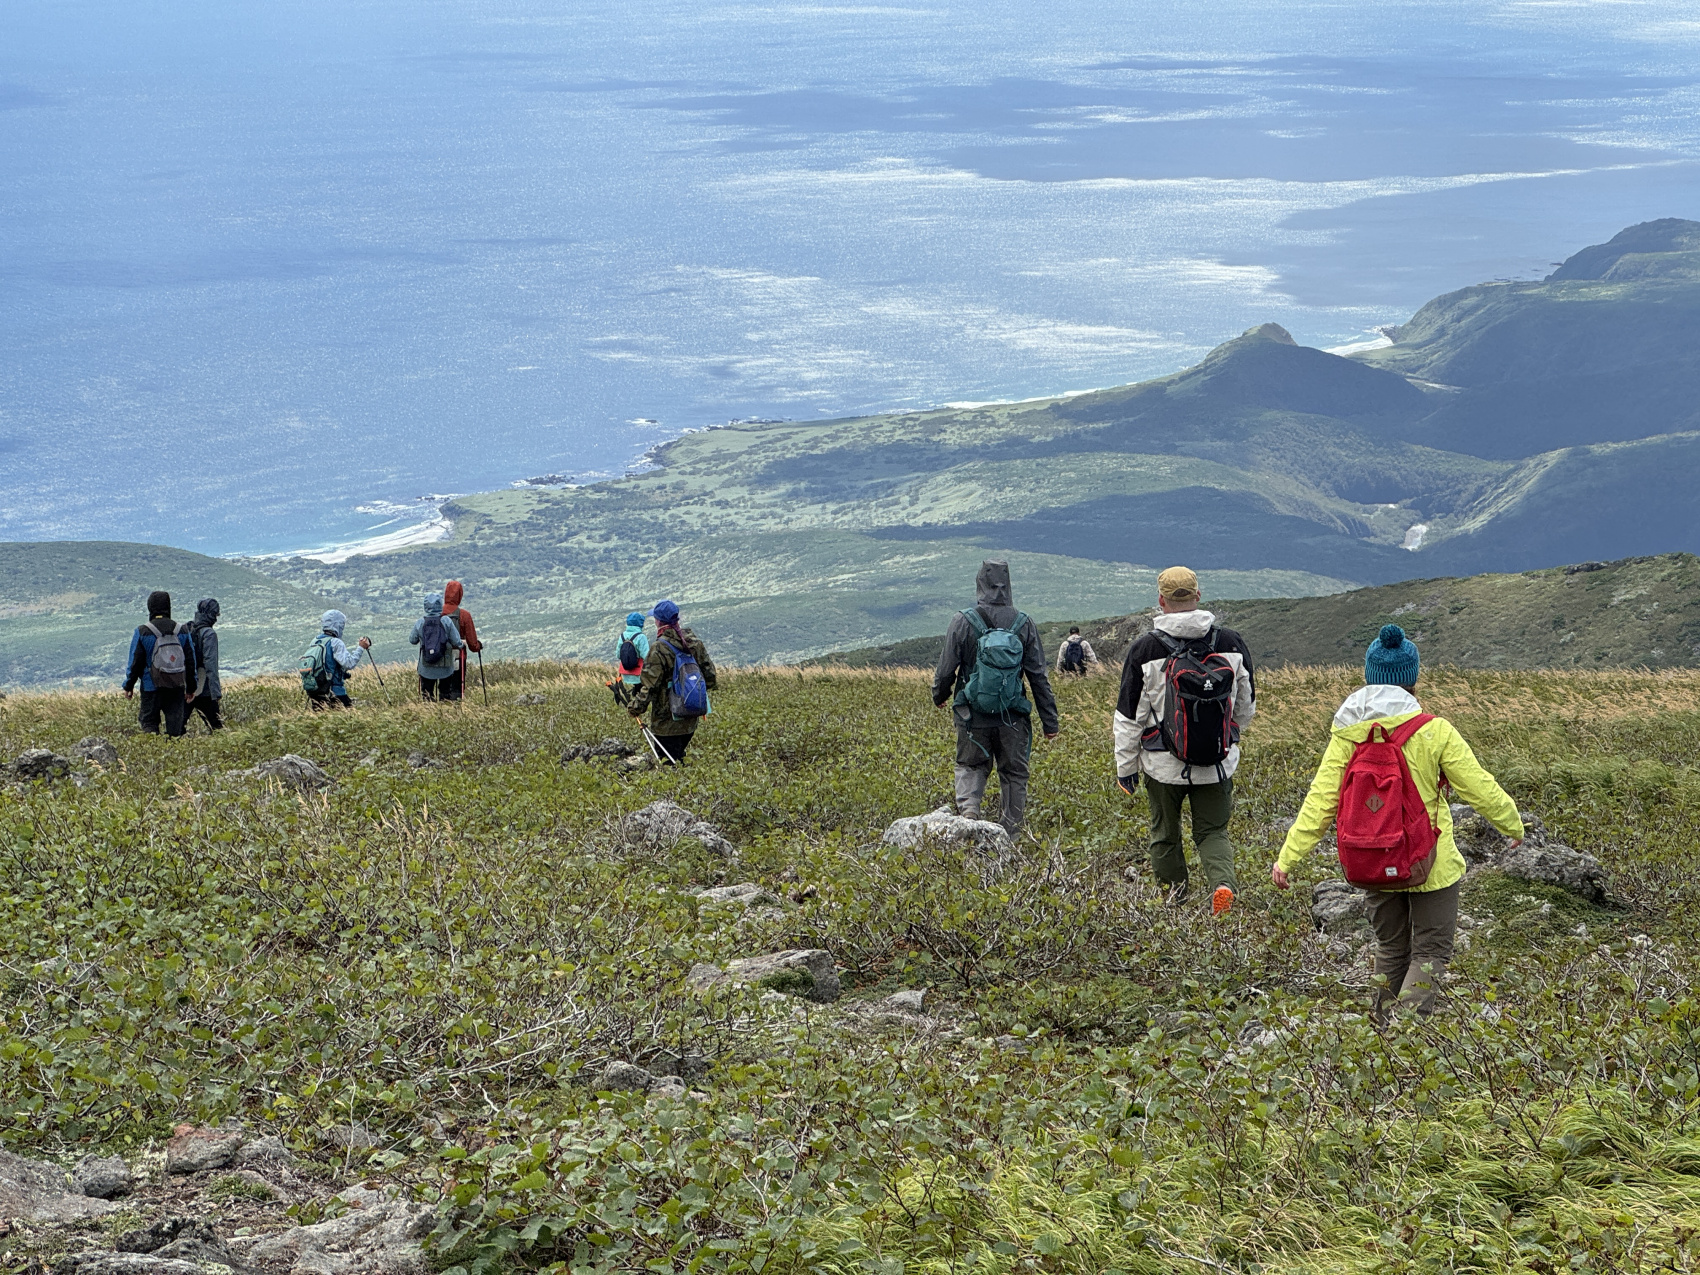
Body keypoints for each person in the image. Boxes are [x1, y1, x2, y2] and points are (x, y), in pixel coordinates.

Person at [1272, 625, 1524, 1017]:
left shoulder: (1347, 735)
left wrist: (1287, 857)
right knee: (1430, 952)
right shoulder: (1434, 730)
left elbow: (1320, 802)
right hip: (1430, 863)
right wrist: (1513, 826)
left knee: (1390, 947)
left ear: (1370, 677)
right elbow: (1479, 787)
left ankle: (1382, 1039)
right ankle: (1406, 1038)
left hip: (1373, 857)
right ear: (1413, 678)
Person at [1113, 566, 1256, 916]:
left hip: (1162, 765)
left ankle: (1172, 903)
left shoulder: (1145, 649)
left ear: (1161, 601)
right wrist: (1224, 735)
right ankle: (1222, 885)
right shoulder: (1230, 643)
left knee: (1165, 832)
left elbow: (1129, 718)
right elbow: (1246, 707)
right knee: (1213, 832)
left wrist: (1125, 767)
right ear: (1198, 596)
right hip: (1217, 761)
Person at [932, 560, 1060, 836]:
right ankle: (1009, 837)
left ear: (979, 584)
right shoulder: (1024, 623)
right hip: (1013, 716)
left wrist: (939, 695)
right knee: (1014, 773)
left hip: (971, 715)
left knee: (970, 765)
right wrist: (1050, 723)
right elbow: (1038, 677)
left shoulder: (962, 621)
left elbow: (945, 670)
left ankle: (969, 818)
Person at [627, 599, 716, 762]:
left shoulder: (659, 648)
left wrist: (636, 708)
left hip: (666, 720)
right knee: (678, 758)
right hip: (691, 714)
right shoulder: (694, 643)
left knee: (667, 764)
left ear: (658, 621)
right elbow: (710, 676)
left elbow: (649, 686)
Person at [122, 590, 198, 737]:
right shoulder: (181, 630)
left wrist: (128, 685)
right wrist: (191, 687)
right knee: (175, 731)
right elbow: (190, 661)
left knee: (149, 725)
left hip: (151, 688)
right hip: (176, 686)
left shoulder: (143, 631)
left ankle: (154, 753)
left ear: (150, 607)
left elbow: (135, 663)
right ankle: (174, 755)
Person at [305, 610, 369, 709]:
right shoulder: (335, 642)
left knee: (321, 721)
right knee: (351, 718)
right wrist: (361, 648)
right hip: (335, 691)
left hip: (316, 692)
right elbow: (349, 663)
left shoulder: (316, 641)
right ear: (338, 625)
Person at [410, 594, 464, 700]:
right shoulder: (446, 621)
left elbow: (412, 640)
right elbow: (456, 641)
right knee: (445, 693)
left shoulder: (420, 622)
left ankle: (428, 714)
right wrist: (462, 645)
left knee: (427, 694)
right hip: (445, 666)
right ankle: (445, 713)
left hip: (426, 666)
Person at [186, 598, 224, 731]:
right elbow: (211, 664)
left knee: (177, 729)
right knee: (217, 727)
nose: (216, 619)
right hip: (205, 689)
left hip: (188, 685)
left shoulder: (188, 628)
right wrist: (216, 692)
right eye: (215, 614)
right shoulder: (209, 634)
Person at [442, 580, 483, 700]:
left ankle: (438, 710)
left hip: (439, 655)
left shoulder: (437, 613)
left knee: (442, 686)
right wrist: (478, 646)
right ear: (460, 595)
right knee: (456, 687)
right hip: (458, 656)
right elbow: (472, 644)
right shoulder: (464, 615)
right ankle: (455, 711)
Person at [608, 611, 650, 708]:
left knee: (629, 696)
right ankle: (637, 709)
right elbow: (646, 656)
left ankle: (628, 706)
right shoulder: (641, 637)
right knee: (641, 696)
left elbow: (618, 655)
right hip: (638, 674)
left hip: (625, 674)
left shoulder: (622, 636)